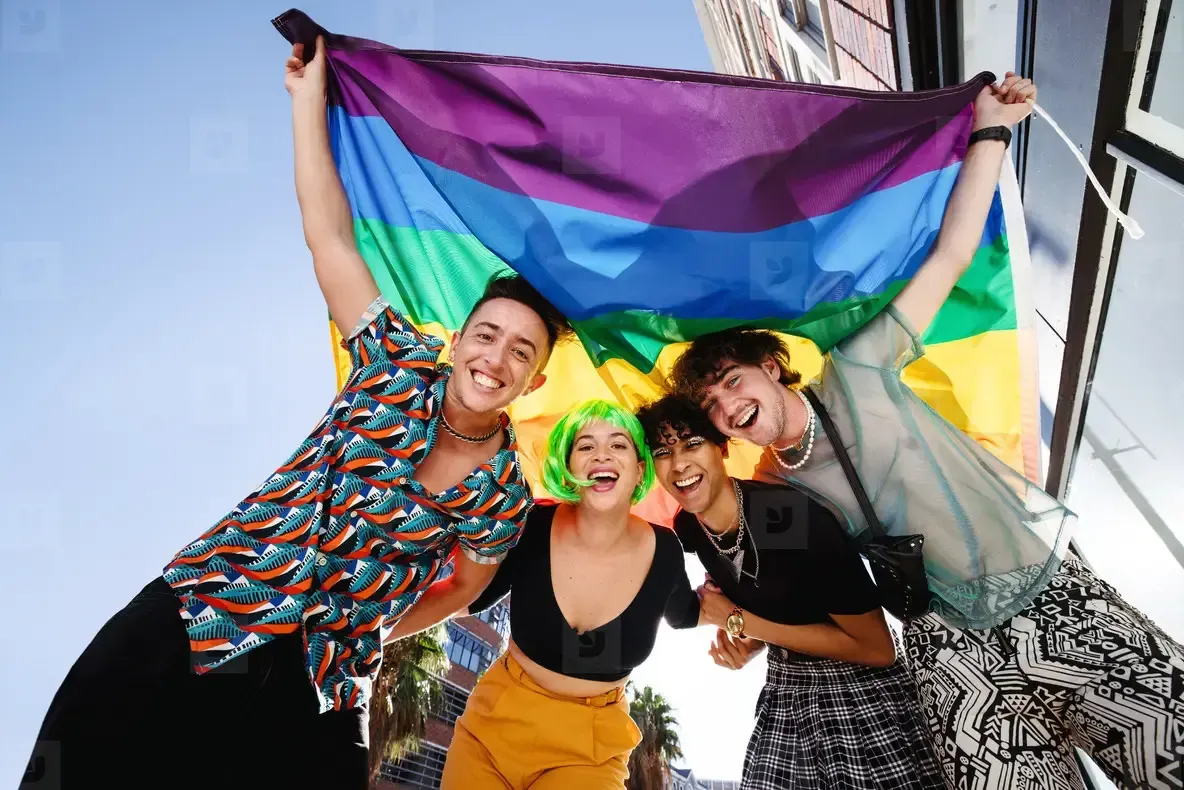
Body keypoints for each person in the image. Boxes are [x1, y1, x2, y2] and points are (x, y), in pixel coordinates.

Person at [22, 36, 571, 790]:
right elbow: (329, 237)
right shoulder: (394, 362)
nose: (495, 359)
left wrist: (373, 628)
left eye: (520, 353)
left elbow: (465, 588)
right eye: (487, 335)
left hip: (319, 687)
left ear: (533, 383)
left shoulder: (502, 494)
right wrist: (306, 100)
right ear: (457, 343)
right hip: (205, 609)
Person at [669, 74, 1184, 790]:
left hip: (1050, 595)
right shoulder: (770, 490)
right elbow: (793, 596)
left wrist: (992, 131)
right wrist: (740, 636)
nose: (727, 404)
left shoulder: (861, 367)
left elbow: (950, 255)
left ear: (771, 366)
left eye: (732, 381)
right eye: (712, 406)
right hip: (948, 654)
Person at [635, 394, 946, 790]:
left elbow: (877, 649)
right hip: (785, 689)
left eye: (692, 444)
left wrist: (737, 621)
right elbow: (782, 600)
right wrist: (749, 641)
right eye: (663, 452)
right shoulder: (690, 531)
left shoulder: (790, 520)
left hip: (863, 694)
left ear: (722, 447)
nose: (679, 464)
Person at [394, 399, 703, 789]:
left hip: (590, 751)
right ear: (569, 467)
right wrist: (366, 631)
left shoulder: (666, 552)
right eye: (585, 446)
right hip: (493, 730)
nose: (601, 454)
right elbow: (466, 597)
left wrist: (743, 626)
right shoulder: (533, 525)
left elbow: (690, 613)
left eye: (619, 444)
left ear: (640, 468)